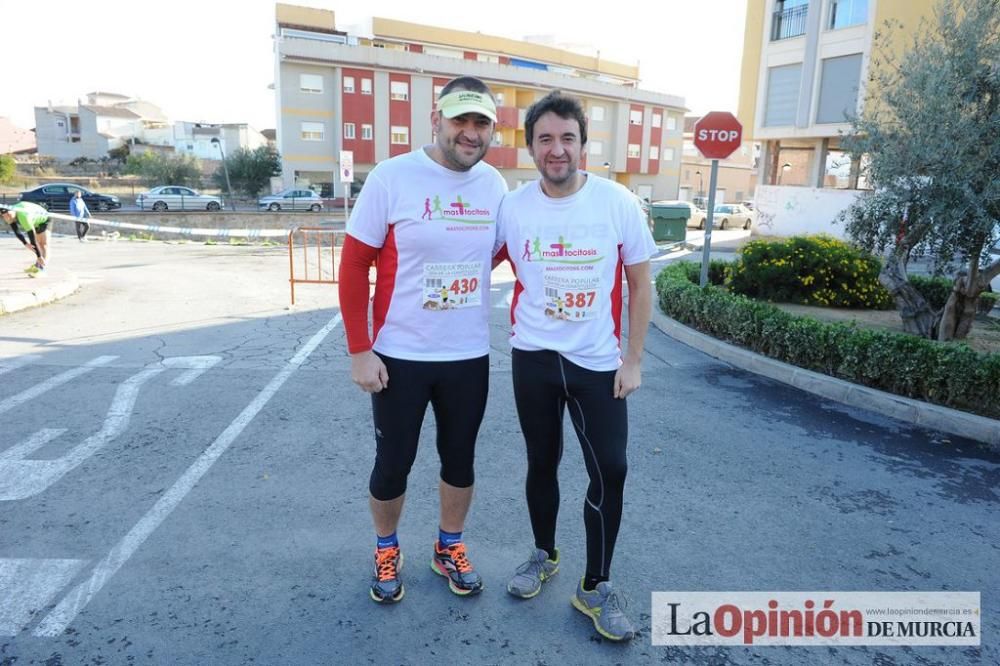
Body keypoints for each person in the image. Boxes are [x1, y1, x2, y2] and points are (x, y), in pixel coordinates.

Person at [337, 76, 508, 604]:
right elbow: (353, 266)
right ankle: (386, 548)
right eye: (461, 120)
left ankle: (448, 546)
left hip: (467, 354)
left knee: (460, 459)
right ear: (436, 119)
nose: (470, 132)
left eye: (481, 123)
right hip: (399, 355)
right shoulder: (392, 177)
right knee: (394, 462)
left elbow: (498, 253)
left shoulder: (494, 185)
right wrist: (360, 349)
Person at [495, 91, 656, 642]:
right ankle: (543, 554)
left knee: (611, 469)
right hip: (534, 358)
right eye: (545, 139)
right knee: (541, 463)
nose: (557, 149)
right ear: (532, 148)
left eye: (567, 138)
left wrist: (632, 360)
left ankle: (596, 587)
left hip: (597, 363)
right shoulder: (512, 207)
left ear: (584, 146)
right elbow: (466, 255)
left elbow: (639, 283)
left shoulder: (616, 203)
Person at [1, 201, 51, 277]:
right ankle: (37, 265)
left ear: (12, 210)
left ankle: (42, 268)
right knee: (38, 244)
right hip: (34, 217)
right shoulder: (9, 214)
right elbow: (16, 231)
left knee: (43, 245)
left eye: (8, 214)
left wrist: (39, 256)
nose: (7, 217)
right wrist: (25, 243)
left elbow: (32, 238)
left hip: (44, 218)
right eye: (4, 216)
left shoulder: (23, 217)